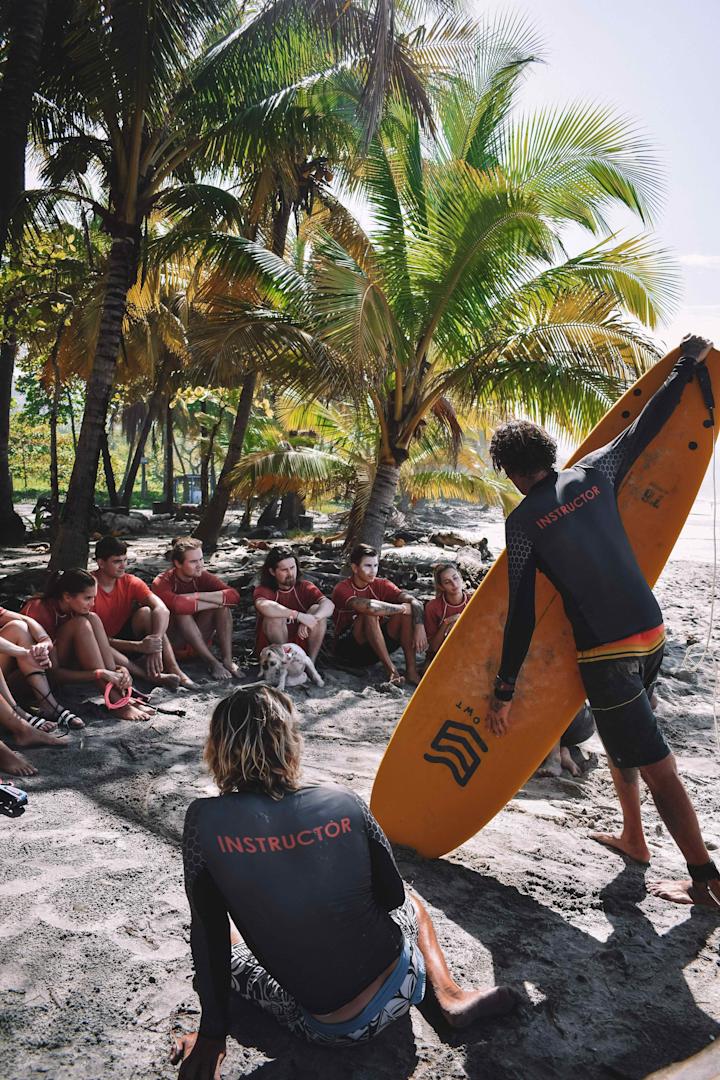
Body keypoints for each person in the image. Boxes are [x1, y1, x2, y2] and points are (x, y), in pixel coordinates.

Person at [485, 334, 720, 910]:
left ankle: (705, 879)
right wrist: (686, 364)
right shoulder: (594, 470)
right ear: (549, 453)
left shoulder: (523, 524)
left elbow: (521, 615)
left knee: (658, 767)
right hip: (652, 630)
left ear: (510, 472)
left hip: (607, 654)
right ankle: (633, 837)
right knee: (623, 739)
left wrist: (504, 691)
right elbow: (648, 424)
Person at [172, 686, 516, 1078]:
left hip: (333, 1028)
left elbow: (209, 935)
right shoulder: (343, 799)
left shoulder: (203, 820)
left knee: (231, 936)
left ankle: (444, 996)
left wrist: (212, 1034)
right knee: (412, 902)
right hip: (405, 977)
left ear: (218, 748)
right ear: (290, 742)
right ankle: (449, 996)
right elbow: (392, 897)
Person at [22, 569, 153, 722]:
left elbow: (97, 650)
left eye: (94, 598)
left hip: (60, 668)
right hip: (31, 682)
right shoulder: (39, 610)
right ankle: (116, 702)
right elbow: (52, 674)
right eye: (88, 598)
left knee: (93, 618)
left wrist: (118, 670)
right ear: (67, 597)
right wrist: (99, 674)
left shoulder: (73, 609)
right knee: (81, 624)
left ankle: (119, 693)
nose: (93, 603)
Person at [92, 535, 194, 689]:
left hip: (125, 636)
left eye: (125, 560)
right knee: (100, 644)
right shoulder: (89, 586)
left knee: (147, 613)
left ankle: (175, 669)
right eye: (117, 561)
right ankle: (149, 677)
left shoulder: (130, 581)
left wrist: (155, 641)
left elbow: (162, 609)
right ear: (101, 563)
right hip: (99, 645)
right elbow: (93, 637)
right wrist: (138, 646)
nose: (123, 566)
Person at [331, 544, 427, 685]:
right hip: (348, 650)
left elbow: (414, 601)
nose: (373, 571)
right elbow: (370, 607)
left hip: (375, 647)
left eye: (375, 565)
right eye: (367, 566)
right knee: (369, 613)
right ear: (355, 568)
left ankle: (411, 672)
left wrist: (419, 626)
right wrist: (401, 608)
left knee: (406, 614)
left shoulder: (382, 584)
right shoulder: (342, 588)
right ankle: (392, 671)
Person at [152, 538, 241, 681]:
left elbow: (233, 596)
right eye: (193, 562)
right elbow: (179, 605)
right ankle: (212, 662)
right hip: (175, 645)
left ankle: (228, 660)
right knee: (183, 613)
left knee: (222, 608)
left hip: (200, 640)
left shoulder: (202, 576)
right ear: (178, 563)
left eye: (201, 559)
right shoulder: (162, 581)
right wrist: (214, 601)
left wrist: (197, 596)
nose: (200, 565)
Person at [253, 547, 334, 663]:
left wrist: (312, 619)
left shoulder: (305, 586)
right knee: (274, 617)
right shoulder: (264, 590)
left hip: (301, 646)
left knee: (317, 610)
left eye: (292, 568)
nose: (290, 574)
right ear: (272, 572)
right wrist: (299, 616)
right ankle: (286, 664)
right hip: (273, 654)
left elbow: (329, 604)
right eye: (284, 570)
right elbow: (264, 606)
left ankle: (311, 663)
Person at [424, 563, 472, 660]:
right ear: (441, 587)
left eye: (455, 578)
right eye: (447, 582)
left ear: (461, 578)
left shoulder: (474, 600)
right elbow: (433, 647)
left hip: (471, 650)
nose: (454, 584)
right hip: (441, 656)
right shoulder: (432, 607)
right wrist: (447, 623)